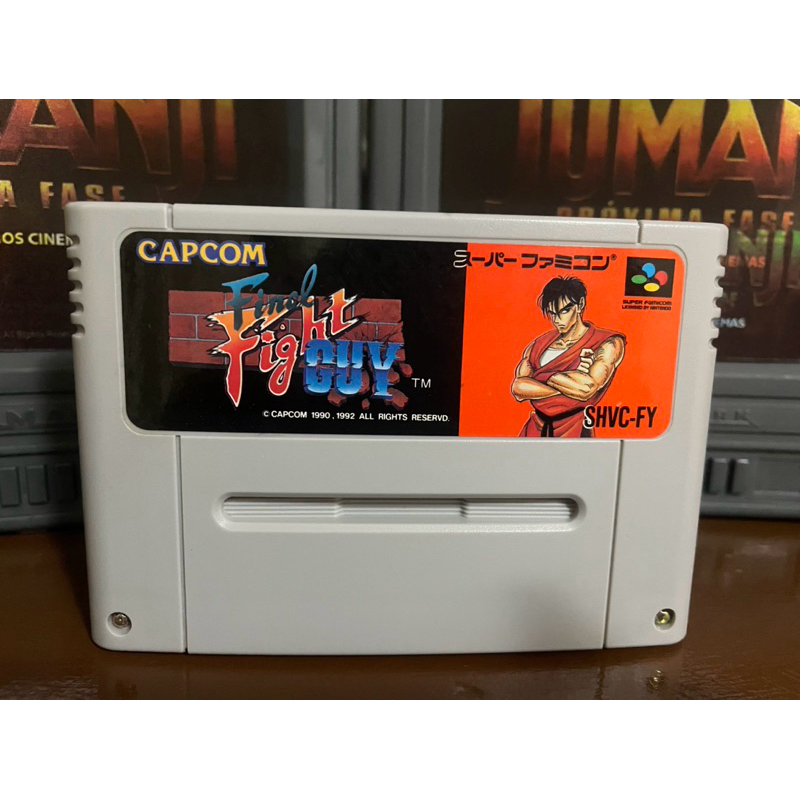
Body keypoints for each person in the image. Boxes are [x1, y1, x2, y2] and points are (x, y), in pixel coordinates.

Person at [511, 277, 625, 437]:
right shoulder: (539, 343)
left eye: (564, 311)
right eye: (552, 313)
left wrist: (540, 378)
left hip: (574, 428)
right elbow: (518, 388)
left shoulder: (607, 342)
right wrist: (568, 381)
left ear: (580, 305)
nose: (557, 320)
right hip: (535, 427)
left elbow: (586, 389)